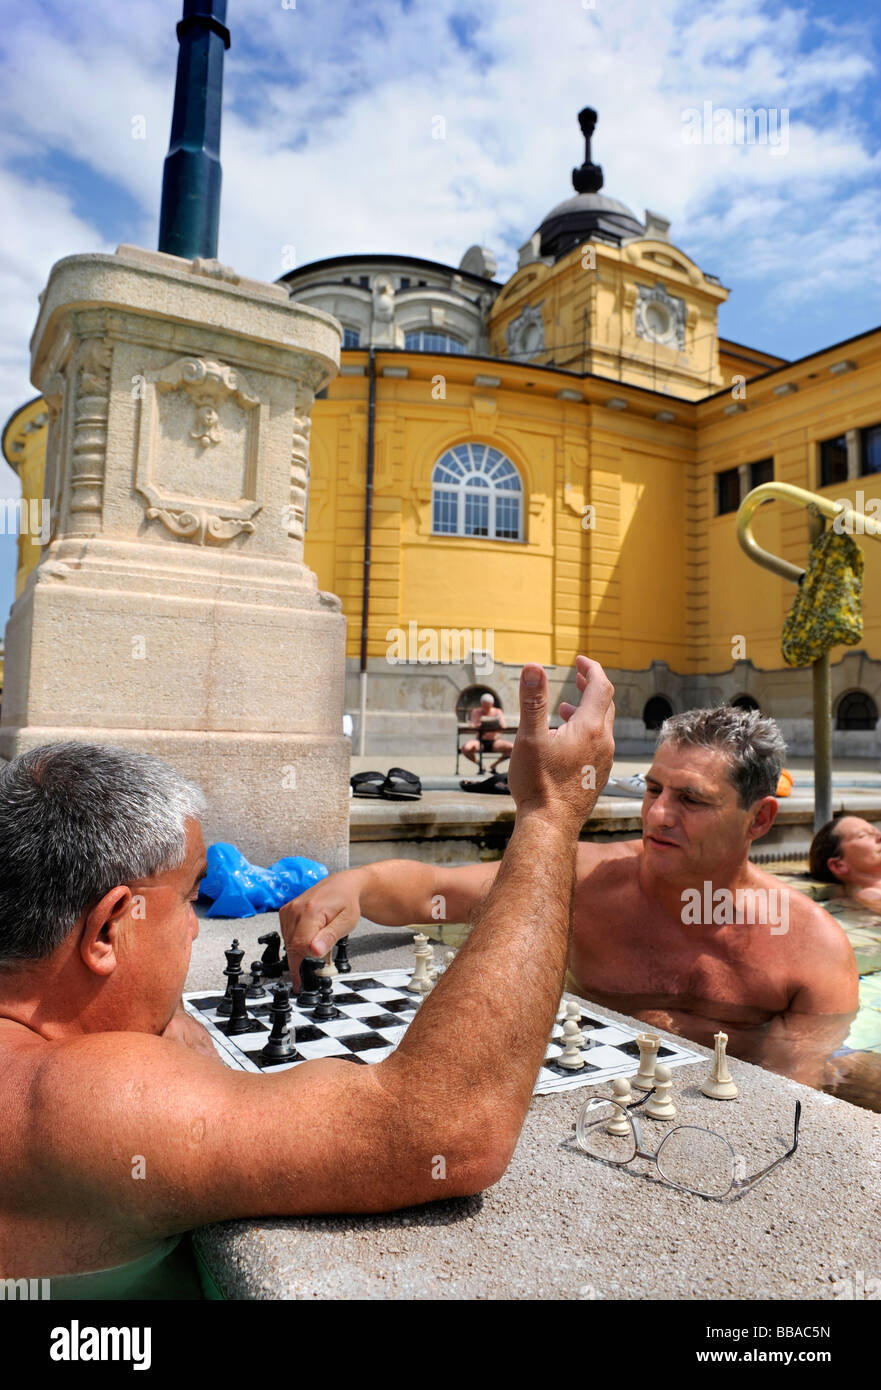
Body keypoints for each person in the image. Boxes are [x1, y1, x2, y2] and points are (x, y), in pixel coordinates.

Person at [0, 655, 614, 1288]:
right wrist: (550, 815)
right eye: (189, 900)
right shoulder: (69, 1106)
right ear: (107, 930)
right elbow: (446, 1125)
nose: (196, 927)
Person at [283, 706, 860, 1094]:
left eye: (692, 800)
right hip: (588, 1084)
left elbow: (788, 1095)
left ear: (759, 819)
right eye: (654, 788)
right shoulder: (585, 878)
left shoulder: (812, 949)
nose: (657, 815)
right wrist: (354, 883)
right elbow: (436, 890)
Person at [809, 814, 881, 911]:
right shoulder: (870, 895)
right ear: (838, 865)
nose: (879, 837)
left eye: (877, 832)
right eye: (863, 835)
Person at [460, 691, 514, 771]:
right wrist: (478, 724)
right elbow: (472, 725)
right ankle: (480, 764)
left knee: (513, 748)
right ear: (481, 704)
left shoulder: (497, 712)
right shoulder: (476, 712)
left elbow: (504, 726)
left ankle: (494, 765)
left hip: (495, 741)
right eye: (484, 706)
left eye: (488, 707)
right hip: (480, 741)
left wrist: (497, 724)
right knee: (466, 748)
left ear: (492, 704)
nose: (486, 709)